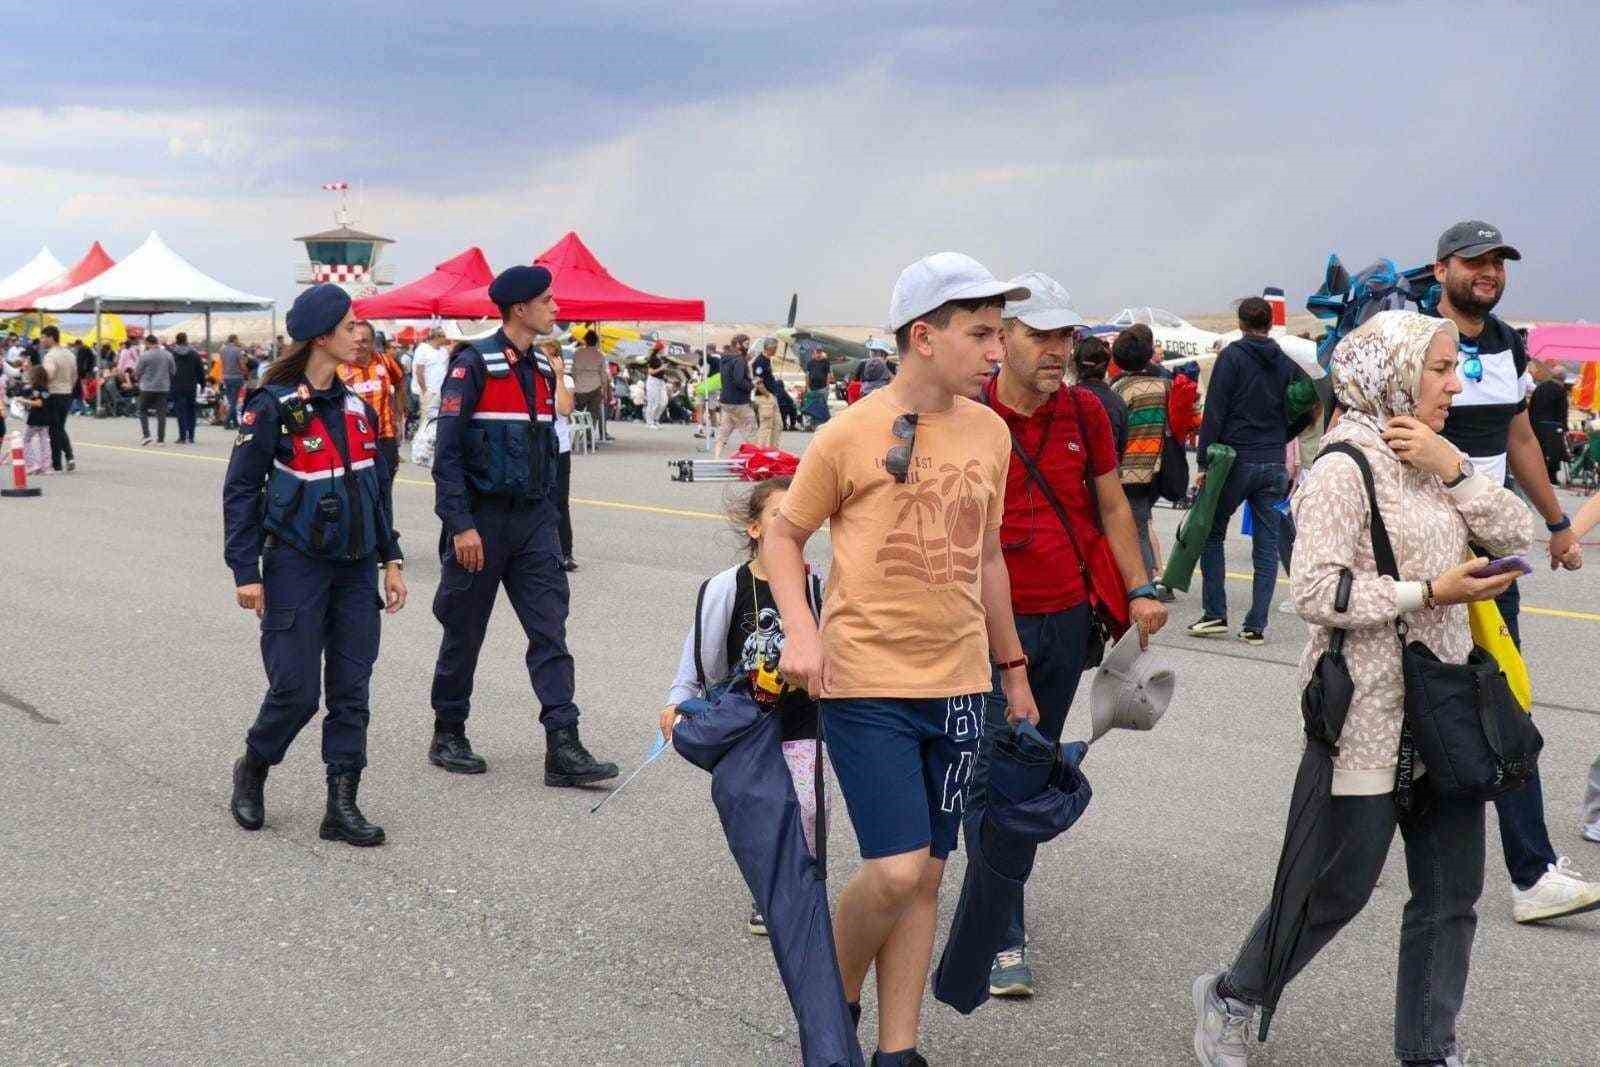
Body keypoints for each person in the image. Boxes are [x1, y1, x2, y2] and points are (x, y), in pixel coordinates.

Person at [1192, 310, 1532, 1067]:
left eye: (1456, 367)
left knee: (1451, 896)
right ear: (1394, 374)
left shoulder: (1435, 462)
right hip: (1368, 714)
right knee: (1337, 887)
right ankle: (1231, 993)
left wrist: (1455, 466)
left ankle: (1428, 1048)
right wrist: (1426, 592)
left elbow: (1519, 533)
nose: (1454, 383)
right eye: (1440, 369)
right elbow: (1312, 590)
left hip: (1444, 707)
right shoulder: (1342, 467)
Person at [764, 253, 1040, 1065]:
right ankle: (829, 1004)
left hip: (959, 685)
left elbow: (988, 557)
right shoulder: (848, 433)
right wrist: (801, 630)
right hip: (867, 685)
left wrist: (1012, 670)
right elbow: (783, 534)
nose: (1001, 350)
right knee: (891, 870)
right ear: (925, 336)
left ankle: (899, 1048)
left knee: (927, 876)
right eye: (983, 333)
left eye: (1002, 332)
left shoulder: (990, 432)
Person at [975, 272, 1169, 998]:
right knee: (990, 773)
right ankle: (999, 925)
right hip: (976, 625)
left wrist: (1142, 587)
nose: (1060, 349)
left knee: (1024, 772)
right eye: (1043, 335)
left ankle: (997, 911)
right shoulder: (968, 413)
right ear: (1003, 340)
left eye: (1067, 336)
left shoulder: (1087, 412)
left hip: (1060, 621)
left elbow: (1115, 509)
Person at [1427, 220, 1596, 925]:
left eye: (1498, 262)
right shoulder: (1418, 340)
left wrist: (1557, 523)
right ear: (1442, 270)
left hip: (1493, 558)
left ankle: (1532, 869)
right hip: (1430, 554)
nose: (1489, 272)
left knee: (1504, 700)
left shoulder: (1503, 343)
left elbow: (1520, 436)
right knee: (1415, 704)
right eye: (1475, 261)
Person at [221, 284, 407, 846]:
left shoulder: (354, 407)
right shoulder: (271, 405)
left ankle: (341, 806)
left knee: (352, 690)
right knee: (297, 691)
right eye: (351, 327)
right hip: (295, 568)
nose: (360, 335)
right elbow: (241, 491)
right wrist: (246, 571)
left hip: (354, 571)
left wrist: (391, 559)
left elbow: (375, 491)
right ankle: (253, 766)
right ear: (322, 336)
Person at [427, 265, 617, 786]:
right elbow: (447, 455)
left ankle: (563, 744)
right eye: (548, 301)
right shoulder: (473, 364)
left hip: (534, 520)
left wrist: (553, 524)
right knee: (465, 631)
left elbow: (545, 453)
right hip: (481, 522)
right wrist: (461, 524)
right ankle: (449, 730)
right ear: (519, 309)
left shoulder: (539, 368)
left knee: (549, 630)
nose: (557, 308)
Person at [660, 477, 826, 935]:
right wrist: (680, 702)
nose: (791, 523)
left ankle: (797, 888)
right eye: (779, 515)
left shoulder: (817, 588)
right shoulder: (723, 589)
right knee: (762, 806)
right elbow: (699, 659)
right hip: (744, 727)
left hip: (800, 722)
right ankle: (769, 889)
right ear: (755, 529)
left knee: (807, 807)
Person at [1189, 297, 1302, 644]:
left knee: (1212, 532)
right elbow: (1306, 404)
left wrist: (1205, 461)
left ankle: (1215, 613)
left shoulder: (1232, 357)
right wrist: (1283, 435)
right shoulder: (1286, 362)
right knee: (1266, 548)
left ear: (1240, 323)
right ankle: (1255, 625)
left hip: (1236, 460)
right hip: (1272, 461)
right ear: (1269, 323)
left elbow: (1215, 412)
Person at [1109, 324, 1169, 588]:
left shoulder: (1120, 390)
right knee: (1142, 527)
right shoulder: (1164, 385)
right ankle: (1147, 580)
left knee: (1128, 531)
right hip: (1155, 469)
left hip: (1126, 470)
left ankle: (1140, 586)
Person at [338, 322, 405, 496]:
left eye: (364, 341)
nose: (358, 345)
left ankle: (385, 523)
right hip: (353, 440)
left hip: (385, 437)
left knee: (385, 488)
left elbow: (399, 383)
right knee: (358, 491)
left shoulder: (386, 362)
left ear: (372, 342)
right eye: (355, 340)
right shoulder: (339, 367)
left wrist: (398, 414)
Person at [541, 337, 578, 572]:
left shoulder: (565, 380)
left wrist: (558, 377)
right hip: (535, 447)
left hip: (559, 448)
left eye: (551, 356)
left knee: (559, 502)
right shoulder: (531, 379)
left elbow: (565, 409)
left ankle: (564, 551)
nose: (547, 361)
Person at [1072, 334, 1126, 455]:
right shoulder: (1117, 402)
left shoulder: (1064, 399)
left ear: (1076, 365)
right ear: (1106, 366)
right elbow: (1122, 448)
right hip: (1109, 470)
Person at [38, 326, 76, 472]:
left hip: (53, 394)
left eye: (43, 337)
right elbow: (75, 375)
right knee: (59, 426)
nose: (41, 341)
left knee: (54, 429)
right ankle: (69, 457)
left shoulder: (50, 356)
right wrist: (69, 387)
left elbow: (49, 374)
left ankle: (57, 463)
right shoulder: (69, 354)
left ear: (51, 337)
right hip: (67, 393)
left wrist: (41, 387)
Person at [714, 334, 756, 459]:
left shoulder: (724, 358)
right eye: (746, 344)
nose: (747, 347)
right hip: (739, 401)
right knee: (751, 431)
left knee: (724, 431)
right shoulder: (739, 360)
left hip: (726, 400)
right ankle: (756, 460)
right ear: (738, 344)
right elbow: (738, 380)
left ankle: (716, 458)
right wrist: (751, 385)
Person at [1527, 362, 1569, 483]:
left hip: (1536, 425)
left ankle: (1535, 475)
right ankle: (1552, 477)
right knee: (1554, 452)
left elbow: (1531, 407)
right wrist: (1565, 429)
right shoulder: (1561, 391)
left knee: (1538, 451)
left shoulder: (1540, 387)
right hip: (1553, 428)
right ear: (1563, 379)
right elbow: (1562, 412)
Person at [134, 334, 175, 446]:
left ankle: (146, 435)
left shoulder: (145, 356)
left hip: (147, 388)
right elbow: (173, 371)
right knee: (161, 413)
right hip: (163, 387)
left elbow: (137, 372)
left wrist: (139, 379)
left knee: (142, 410)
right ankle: (161, 440)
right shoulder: (168, 355)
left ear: (147, 343)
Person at [570, 328, 608, 436]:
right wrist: (604, 391)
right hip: (595, 388)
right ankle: (589, 439)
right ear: (596, 341)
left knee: (577, 415)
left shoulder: (578, 353)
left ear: (585, 340)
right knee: (592, 416)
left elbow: (574, 372)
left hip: (579, 388)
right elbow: (603, 375)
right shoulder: (600, 355)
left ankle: (576, 437)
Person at [170, 332, 205, 444]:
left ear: (177, 340)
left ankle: (182, 436)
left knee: (180, 411)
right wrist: (203, 384)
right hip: (191, 386)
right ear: (186, 340)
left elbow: (170, 370)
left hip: (177, 385)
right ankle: (191, 436)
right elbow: (200, 370)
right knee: (191, 410)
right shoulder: (194, 354)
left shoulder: (173, 354)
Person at [16, 364, 53, 475]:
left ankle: (32, 464)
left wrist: (24, 401)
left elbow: (39, 403)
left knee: (25, 440)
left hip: (35, 419)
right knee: (44, 442)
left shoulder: (36, 389)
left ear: (35, 376)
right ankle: (45, 466)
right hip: (45, 419)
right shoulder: (46, 389)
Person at [749, 336, 783, 448]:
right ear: (770, 348)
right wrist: (767, 395)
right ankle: (760, 448)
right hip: (765, 397)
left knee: (777, 424)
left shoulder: (768, 360)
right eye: (775, 348)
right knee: (766, 425)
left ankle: (773, 448)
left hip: (771, 396)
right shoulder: (760, 362)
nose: (776, 350)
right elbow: (758, 381)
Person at [219, 334, 247, 428]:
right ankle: (227, 422)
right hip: (237, 377)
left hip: (226, 377)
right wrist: (245, 372)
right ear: (234, 340)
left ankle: (234, 422)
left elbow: (222, 363)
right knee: (234, 402)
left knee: (231, 400)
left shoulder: (222, 350)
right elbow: (241, 364)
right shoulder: (238, 350)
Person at [644, 346, 669, 428]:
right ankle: (650, 422)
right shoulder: (653, 359)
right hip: (653, 381)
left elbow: (661, 372)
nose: (665, 350)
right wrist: (661, 368)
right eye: (664, 348)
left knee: (664, 401)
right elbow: (651, 372)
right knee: (653, 402)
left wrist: (665, 377)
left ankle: (655, 419)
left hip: (661, 382)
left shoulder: (661, 359)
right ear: (660, 349)